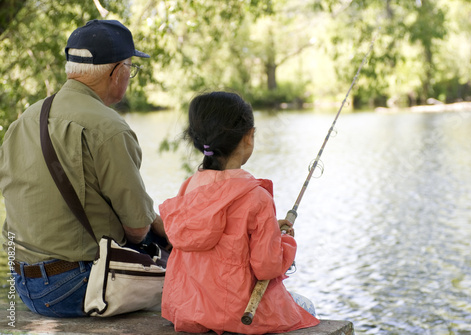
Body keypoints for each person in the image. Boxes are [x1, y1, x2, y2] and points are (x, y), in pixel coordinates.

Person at [0, 19, 167, 317]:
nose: (130, 75)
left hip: (22, 285)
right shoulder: (109, 128)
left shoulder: (24, 119)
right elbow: (138, 229)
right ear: (118, 71)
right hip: (75, 287)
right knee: (182, 262)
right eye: (130, 67)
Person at [159, 91, 320, 334]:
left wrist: (269, 230)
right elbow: (267, 267)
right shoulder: (257, 197)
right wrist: (284, 242)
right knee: (307, 306)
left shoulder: (190, 187)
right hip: (239, 315)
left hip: (186, 310)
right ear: (248, 136)